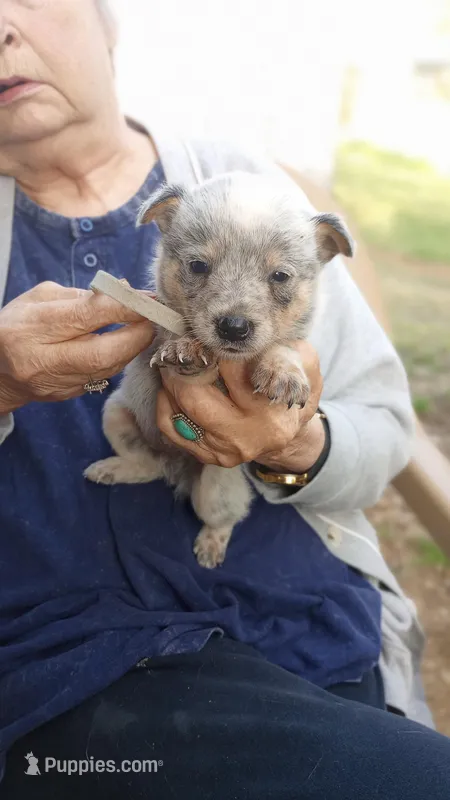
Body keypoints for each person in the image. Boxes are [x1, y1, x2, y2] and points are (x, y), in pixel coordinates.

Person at [0, 1, 449, 798]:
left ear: (109, 24)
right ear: (164, 236)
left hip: (285, 617)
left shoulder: (264, 193)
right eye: (198, 269)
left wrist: (293, 447)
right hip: (60, 664)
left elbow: (383, 427)